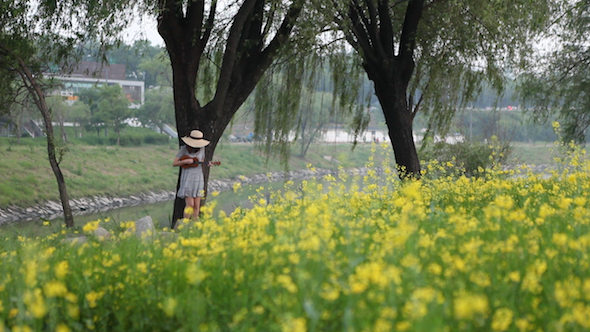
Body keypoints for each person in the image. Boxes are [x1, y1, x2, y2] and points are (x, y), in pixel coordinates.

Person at [172, 129, 211, 222]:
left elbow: (201, 161)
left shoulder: (202, 149)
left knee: (197, 205)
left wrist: (206, 163)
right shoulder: (184, 149)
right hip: (188, 178)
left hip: (198, 178)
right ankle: (185, 223)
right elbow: (174, 163)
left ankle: (194, 224)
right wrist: (185, 161)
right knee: (190, 204)